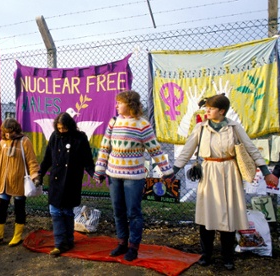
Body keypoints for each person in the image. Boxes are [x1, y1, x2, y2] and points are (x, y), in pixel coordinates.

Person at [174, 94, 278, 271]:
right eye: (206, 107)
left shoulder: (234, 127)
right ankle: (206, 254)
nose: (207, 110)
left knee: (228, 215)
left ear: (222, 111)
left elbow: (251, 148)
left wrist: (267, 172)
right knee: (207, 215)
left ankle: (227, 256)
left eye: (211, 108)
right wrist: (173, 171)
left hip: (229, 172)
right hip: (208, 172)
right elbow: (187, 151)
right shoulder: (200, 128)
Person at [94, 90, 175, 261]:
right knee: (118, 211)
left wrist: (167, 171)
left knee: (133, 212)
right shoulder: (114, 122)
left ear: (129, 104)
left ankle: (133, 247)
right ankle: (122, 243)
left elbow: (155, 149)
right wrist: (100, 170)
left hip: (134, 177)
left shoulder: (142, 124)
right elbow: (105, 147)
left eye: (119, 103)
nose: (116, 105)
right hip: (114, 175)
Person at [38, 112, 95, 257]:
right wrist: (40, 173)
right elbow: (47, 158)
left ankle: (69, 240)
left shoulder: (80, 138)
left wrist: (94, 173)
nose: (61, 131)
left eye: (64, 128)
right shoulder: (54, 137)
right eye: (59, 128)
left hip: (71, 179)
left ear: (70, 126)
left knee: (67, 211)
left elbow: (87, 159)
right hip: (56, 180)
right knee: (55, 211)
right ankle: (59, 244)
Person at [0, 118, 40, 247]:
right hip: (3, 181)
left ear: (17, 130)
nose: (9, 134)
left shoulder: (24, 141)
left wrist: (35, 176)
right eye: (6, 132)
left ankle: (17, 236)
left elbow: (31, 161)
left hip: (18, 181)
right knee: (1, 208)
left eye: (11, 132)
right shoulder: (2, 142)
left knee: (19, 208)